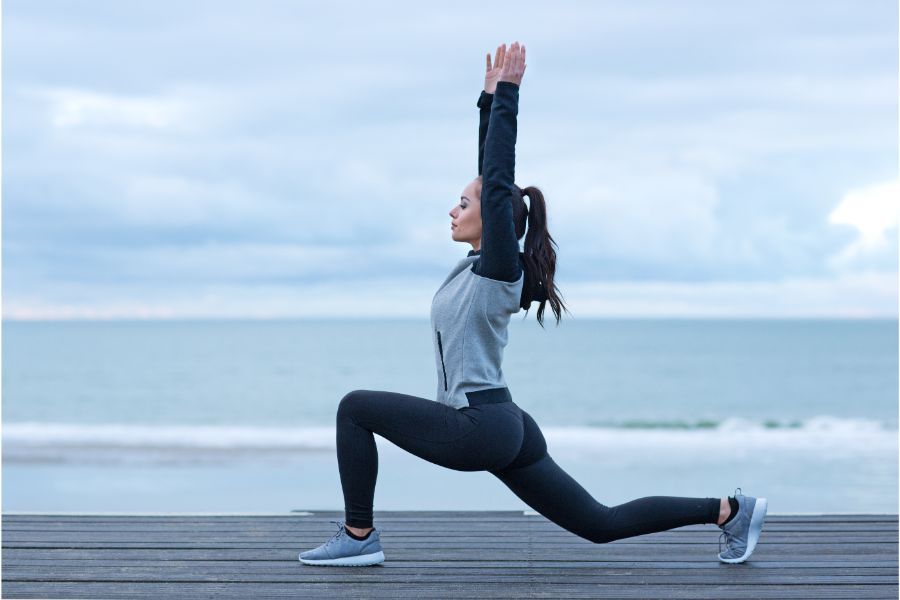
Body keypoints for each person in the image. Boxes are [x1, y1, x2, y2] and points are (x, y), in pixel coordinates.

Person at [299, 42, 767, 567]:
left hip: (479, 427)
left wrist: (509, 98)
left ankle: (359, 536)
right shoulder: (477, 267)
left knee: (354, 407)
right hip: (505, 422)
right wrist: (487, 99)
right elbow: (490, 182)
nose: (452, 210)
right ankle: (729, 511)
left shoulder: (501, 270)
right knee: (599, 523)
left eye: (463, 203)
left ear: (494, 221)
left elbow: (496, 184)